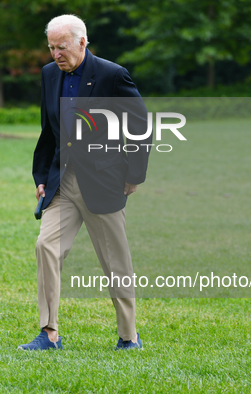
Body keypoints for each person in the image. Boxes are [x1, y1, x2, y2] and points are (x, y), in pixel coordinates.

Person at [18, 14, 151, 351]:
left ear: (81, 42)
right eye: (50, 47)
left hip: (104, 182)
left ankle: (128, 336)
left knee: (114, 262)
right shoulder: (50, 75)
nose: (54, 54)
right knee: (45, 247)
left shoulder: (112, 75)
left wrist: (134, 176)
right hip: (62, 181)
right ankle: (49, 333)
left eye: (60, 47)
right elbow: (49, 131)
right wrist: (41, 177)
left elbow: (140, 126)